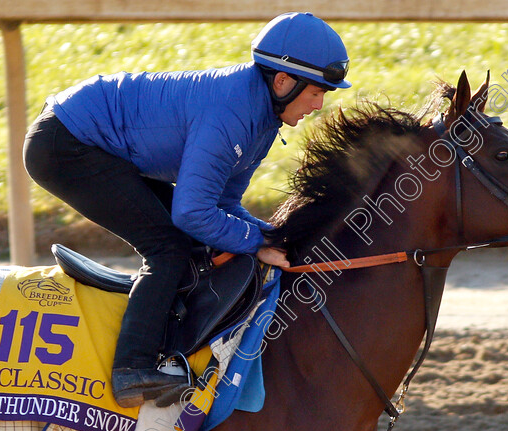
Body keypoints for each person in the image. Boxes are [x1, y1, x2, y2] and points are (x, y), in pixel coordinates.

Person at [23, 12, 351, 408]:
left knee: (192, 242)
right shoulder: (231, 114)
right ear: (283, 81)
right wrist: (255, 242)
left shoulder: (265, 120)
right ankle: (132, 368)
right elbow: (192, 213)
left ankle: (170, 345)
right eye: (317, 92)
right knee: (169, 247)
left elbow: (222, 205)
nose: (318, 104)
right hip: (65, 143)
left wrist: (270, 235)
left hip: (97, 141)